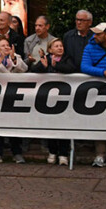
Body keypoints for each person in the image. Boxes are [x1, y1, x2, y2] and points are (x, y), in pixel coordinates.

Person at [30, 37, 76, 166]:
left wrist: (57, 65)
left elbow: (71, 69)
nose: (60, 48)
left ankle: (63, 154)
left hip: (65, 98)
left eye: (61, 46)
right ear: (50, 49)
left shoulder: (67, 59)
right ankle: (52, 152)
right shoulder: (46, 59)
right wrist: (42, 65)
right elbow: (33, 71)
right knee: (51, 127)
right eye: (56, 46)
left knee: (64, 127)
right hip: (49, 100)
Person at [0, 35, 28, 164]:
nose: (7, 47)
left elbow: (24, 69)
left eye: (8, 45)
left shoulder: (16, 57)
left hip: (13, 96)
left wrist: (13, 58)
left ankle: (17, 153)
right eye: (3, 46)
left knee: (14, 124)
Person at [79, 22, 106, 168]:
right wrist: (103, 73)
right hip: (99, 90)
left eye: (99, 34)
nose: (95, 36)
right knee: (100, 121)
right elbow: (84, 66)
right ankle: (100, 155)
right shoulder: (90, 47)